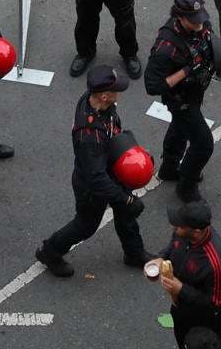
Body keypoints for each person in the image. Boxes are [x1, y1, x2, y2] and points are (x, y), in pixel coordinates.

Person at [35, 64, 149, 276]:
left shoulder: (98, 103)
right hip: (93, 184)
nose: (120, 93)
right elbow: (96, 178)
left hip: (109, 168)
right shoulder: (89, 135)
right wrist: (125, 199)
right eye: (116, 90)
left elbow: (114, 134)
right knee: (86, 225)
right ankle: (50, 251)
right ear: (104, 96)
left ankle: (134, 252)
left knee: (125, 215)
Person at [146, 0, 219, 201]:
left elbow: (210, 41)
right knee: (203, 144)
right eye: (193, 20)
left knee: (179, 127)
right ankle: (186, 187)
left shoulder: (201, 24)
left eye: (201, 18)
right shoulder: (166, 47)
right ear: (179, 16)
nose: (200, 25)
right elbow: (153, 85)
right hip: (180, 100)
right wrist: (186, 71)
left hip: (195, 92)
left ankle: (169, 168)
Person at [155, 200, 221, 347]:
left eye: (179, 225)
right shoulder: (183, 233)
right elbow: (173, 245)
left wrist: (181, 289)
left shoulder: (218, 264)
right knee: (182, 340)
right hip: (181, 308)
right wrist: (160, 258)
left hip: (202, 322)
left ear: (196, 231)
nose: (174, 227)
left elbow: (216, 304)